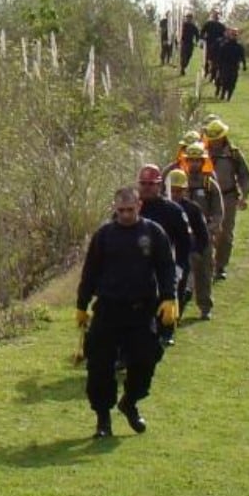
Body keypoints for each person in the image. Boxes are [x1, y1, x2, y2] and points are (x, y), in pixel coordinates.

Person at [76, 187, 178, 438]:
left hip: (141, 311)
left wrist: (168, 298)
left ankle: (130, 402)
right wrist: (81, 305)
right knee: (99, 367)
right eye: (120, 210)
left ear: (139, 207)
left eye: (130, 210)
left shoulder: (153, 233)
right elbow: (90, 272)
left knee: (146, 360)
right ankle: (103, 420)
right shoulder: (104, 236)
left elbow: (166, 267)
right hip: (108, 310)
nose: (125, 215)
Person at [136, 163, 192, 346]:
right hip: (137, 267)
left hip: (165, 265)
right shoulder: (131, 208)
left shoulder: (173, 211)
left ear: (159, 185)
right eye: (143, 183)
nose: (146, 187)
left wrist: (180, 268)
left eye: (151, 184)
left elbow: (185, 242)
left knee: (166, 302)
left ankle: (166, 333)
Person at [175, 142, 223, 319]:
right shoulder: (179, 182)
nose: (194, 164)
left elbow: (219, 212)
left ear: (203, 162)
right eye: (191, 160)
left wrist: (210, 230)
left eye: (198, 160)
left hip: (204, 236)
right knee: (181, 274)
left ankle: (205, 306)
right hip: (183, 237)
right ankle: (177, 311)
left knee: (204, 272)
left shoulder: (210, 185)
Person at [204, 119, 249, 281]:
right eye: (211, 138)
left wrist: (244, 196)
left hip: (228, 198)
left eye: (216, 138)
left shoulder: (233, 154)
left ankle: (220, 266)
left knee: (225, 233)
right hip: (206, 197)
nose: (213, 141)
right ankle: (205, 266)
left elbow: (245, 176)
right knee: (206, 231)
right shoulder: (201, 152)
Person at [167, 169, 210, 322]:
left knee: (187, 285)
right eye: (172, 190)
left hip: (189, 255)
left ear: (185, 191)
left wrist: (198, 252)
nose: (175, 194)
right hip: (168, 254)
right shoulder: (161, 208)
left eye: (178, 191)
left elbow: (203, 235)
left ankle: (200, 308)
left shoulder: (193, 209)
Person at [214, 28, 247, 101]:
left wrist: (244, 65)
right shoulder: (225, 45)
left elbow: (242, 56)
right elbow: (220, 55)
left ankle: (229, 96)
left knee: (232, 82)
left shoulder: (239, 46)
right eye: (232, 35)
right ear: (230, 36)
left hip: (234, 66)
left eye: (235, 35)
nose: (234, 36)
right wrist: (218, 64)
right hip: (225, 65)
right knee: (224, 80)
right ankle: (222, 94)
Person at [200, 10, 227, 82]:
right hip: (209, 43)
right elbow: (202, 32)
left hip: (216, 45)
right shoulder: (208, 24)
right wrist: (202, 40)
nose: (216, 18)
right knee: (208, 59)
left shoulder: (221, 26)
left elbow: (224, 36)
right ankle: (207, 72)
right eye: (215, 16)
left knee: (213, 61)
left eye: (216, 16)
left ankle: (212, 75)